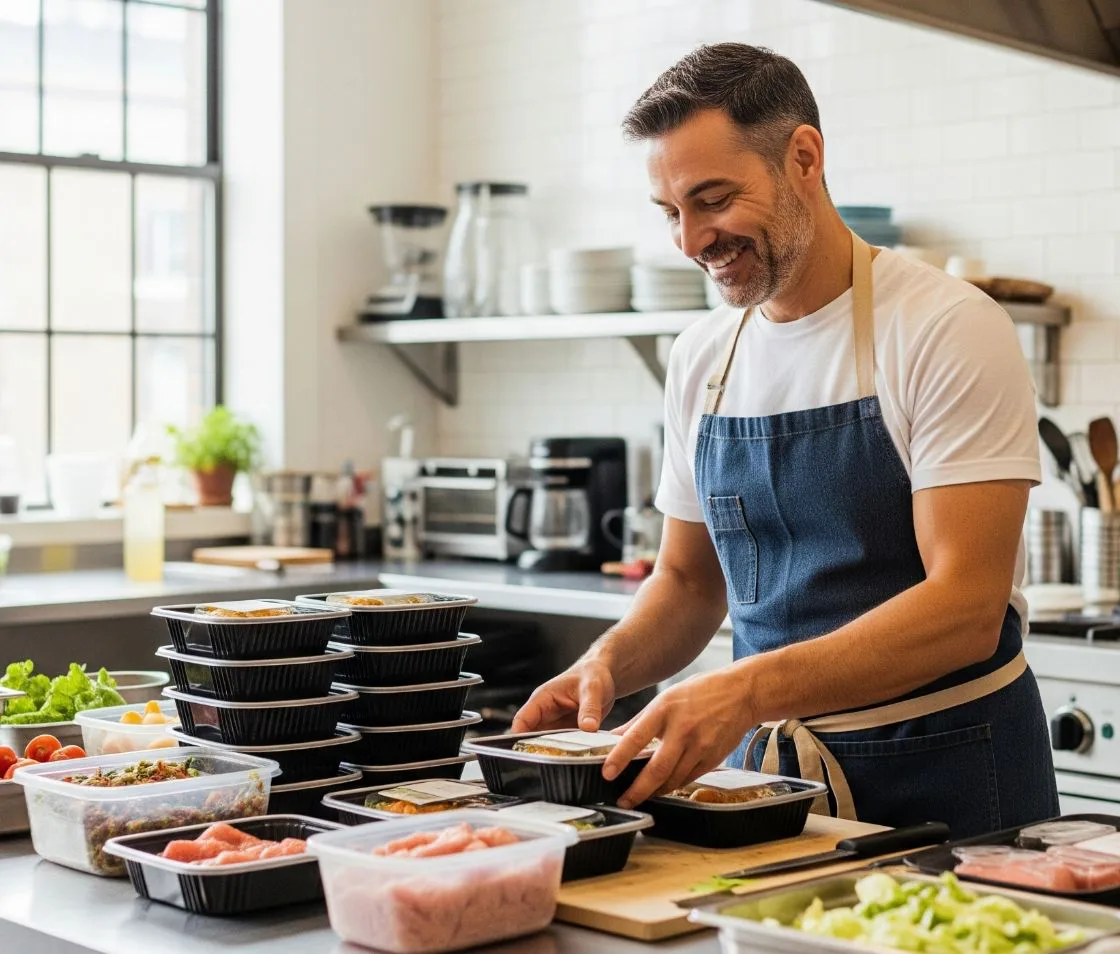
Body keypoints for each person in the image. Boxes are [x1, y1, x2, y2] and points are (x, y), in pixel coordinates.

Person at [512, 43, 1058, 837]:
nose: (690, 240)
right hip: (768, 793)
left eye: (714, 199)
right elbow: (690, 583)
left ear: (804, 156)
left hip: (951, 776)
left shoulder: (946, 327)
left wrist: (748, 690)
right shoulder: (703, 356)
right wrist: (607, 663)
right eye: (670, 212)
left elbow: (965, 607)